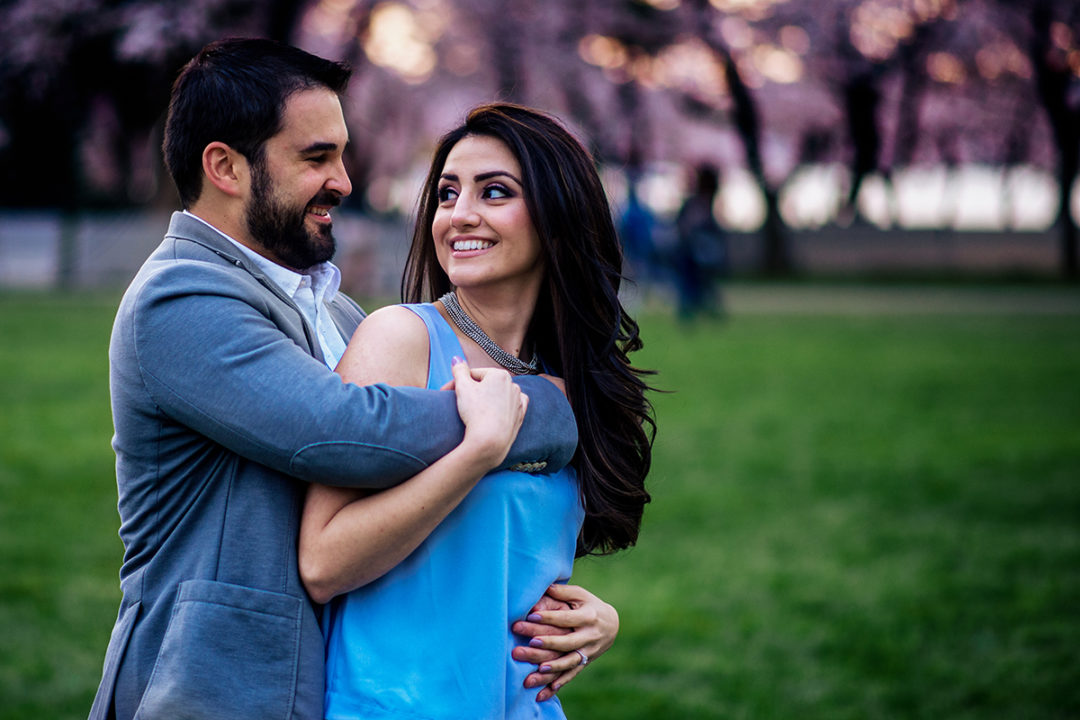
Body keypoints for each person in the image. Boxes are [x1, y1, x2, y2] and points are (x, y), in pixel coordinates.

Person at [88, 39, 614, 720]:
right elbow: (345, 432)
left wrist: (584, 614)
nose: (344, 180)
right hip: (208, 688)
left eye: (340, 154)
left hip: (328, 679)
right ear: (224, 166)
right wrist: (552, 408)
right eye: (316, 157)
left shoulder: (334, 308)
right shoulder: (181, 298)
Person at [299, 103, 655, 719]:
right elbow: (323, 562)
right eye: (446, 193)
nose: (460, 215)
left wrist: (599, 619)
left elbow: (510, 562)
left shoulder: (575, 376)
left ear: (558, 214)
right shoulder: (402, 340)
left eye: (495, 192)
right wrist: (476, 454)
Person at [673, 163, 727, 320]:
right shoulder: (697, 204)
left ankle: (699, 310)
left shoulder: (705, 204)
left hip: (699, 252)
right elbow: (686, 227)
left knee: (700, 284)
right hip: (691, 252)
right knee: (695, 284)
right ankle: (693, 311)